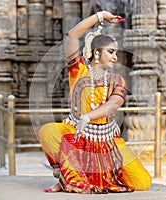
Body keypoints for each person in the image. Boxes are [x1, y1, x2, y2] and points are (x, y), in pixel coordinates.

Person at [38, 11, 151, 194]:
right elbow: (73, 35)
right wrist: (101, 16)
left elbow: (113, 105)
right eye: (111, 52)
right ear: (97, 52)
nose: (115, 57)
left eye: (116, 52)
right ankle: (67, 178)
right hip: (77, 134)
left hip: (106, 139)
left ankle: (81, 178)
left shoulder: (117, 80)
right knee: (48, 131)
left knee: (142, 181)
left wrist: (87, 117)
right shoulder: (78, 71)